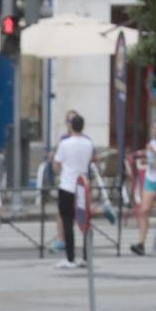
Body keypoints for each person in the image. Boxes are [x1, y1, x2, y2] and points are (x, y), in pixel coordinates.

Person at [53, 113, 95, 271]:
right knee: (85, 221)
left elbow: (56, 165)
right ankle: (86, 256)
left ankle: (70, 258)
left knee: (67, 222)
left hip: (67, 185)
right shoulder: (88, 143)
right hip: (83, 186)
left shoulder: (65, 143)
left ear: (71, 125)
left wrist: (60, 169)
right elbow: (90, 160)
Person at [130, 121, 156, 257]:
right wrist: (145, 160)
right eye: (154, 128)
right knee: (144, 210)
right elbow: (151, 161)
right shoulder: (151, 143)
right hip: (151, 178)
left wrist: (153, 153)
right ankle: (141, 243)